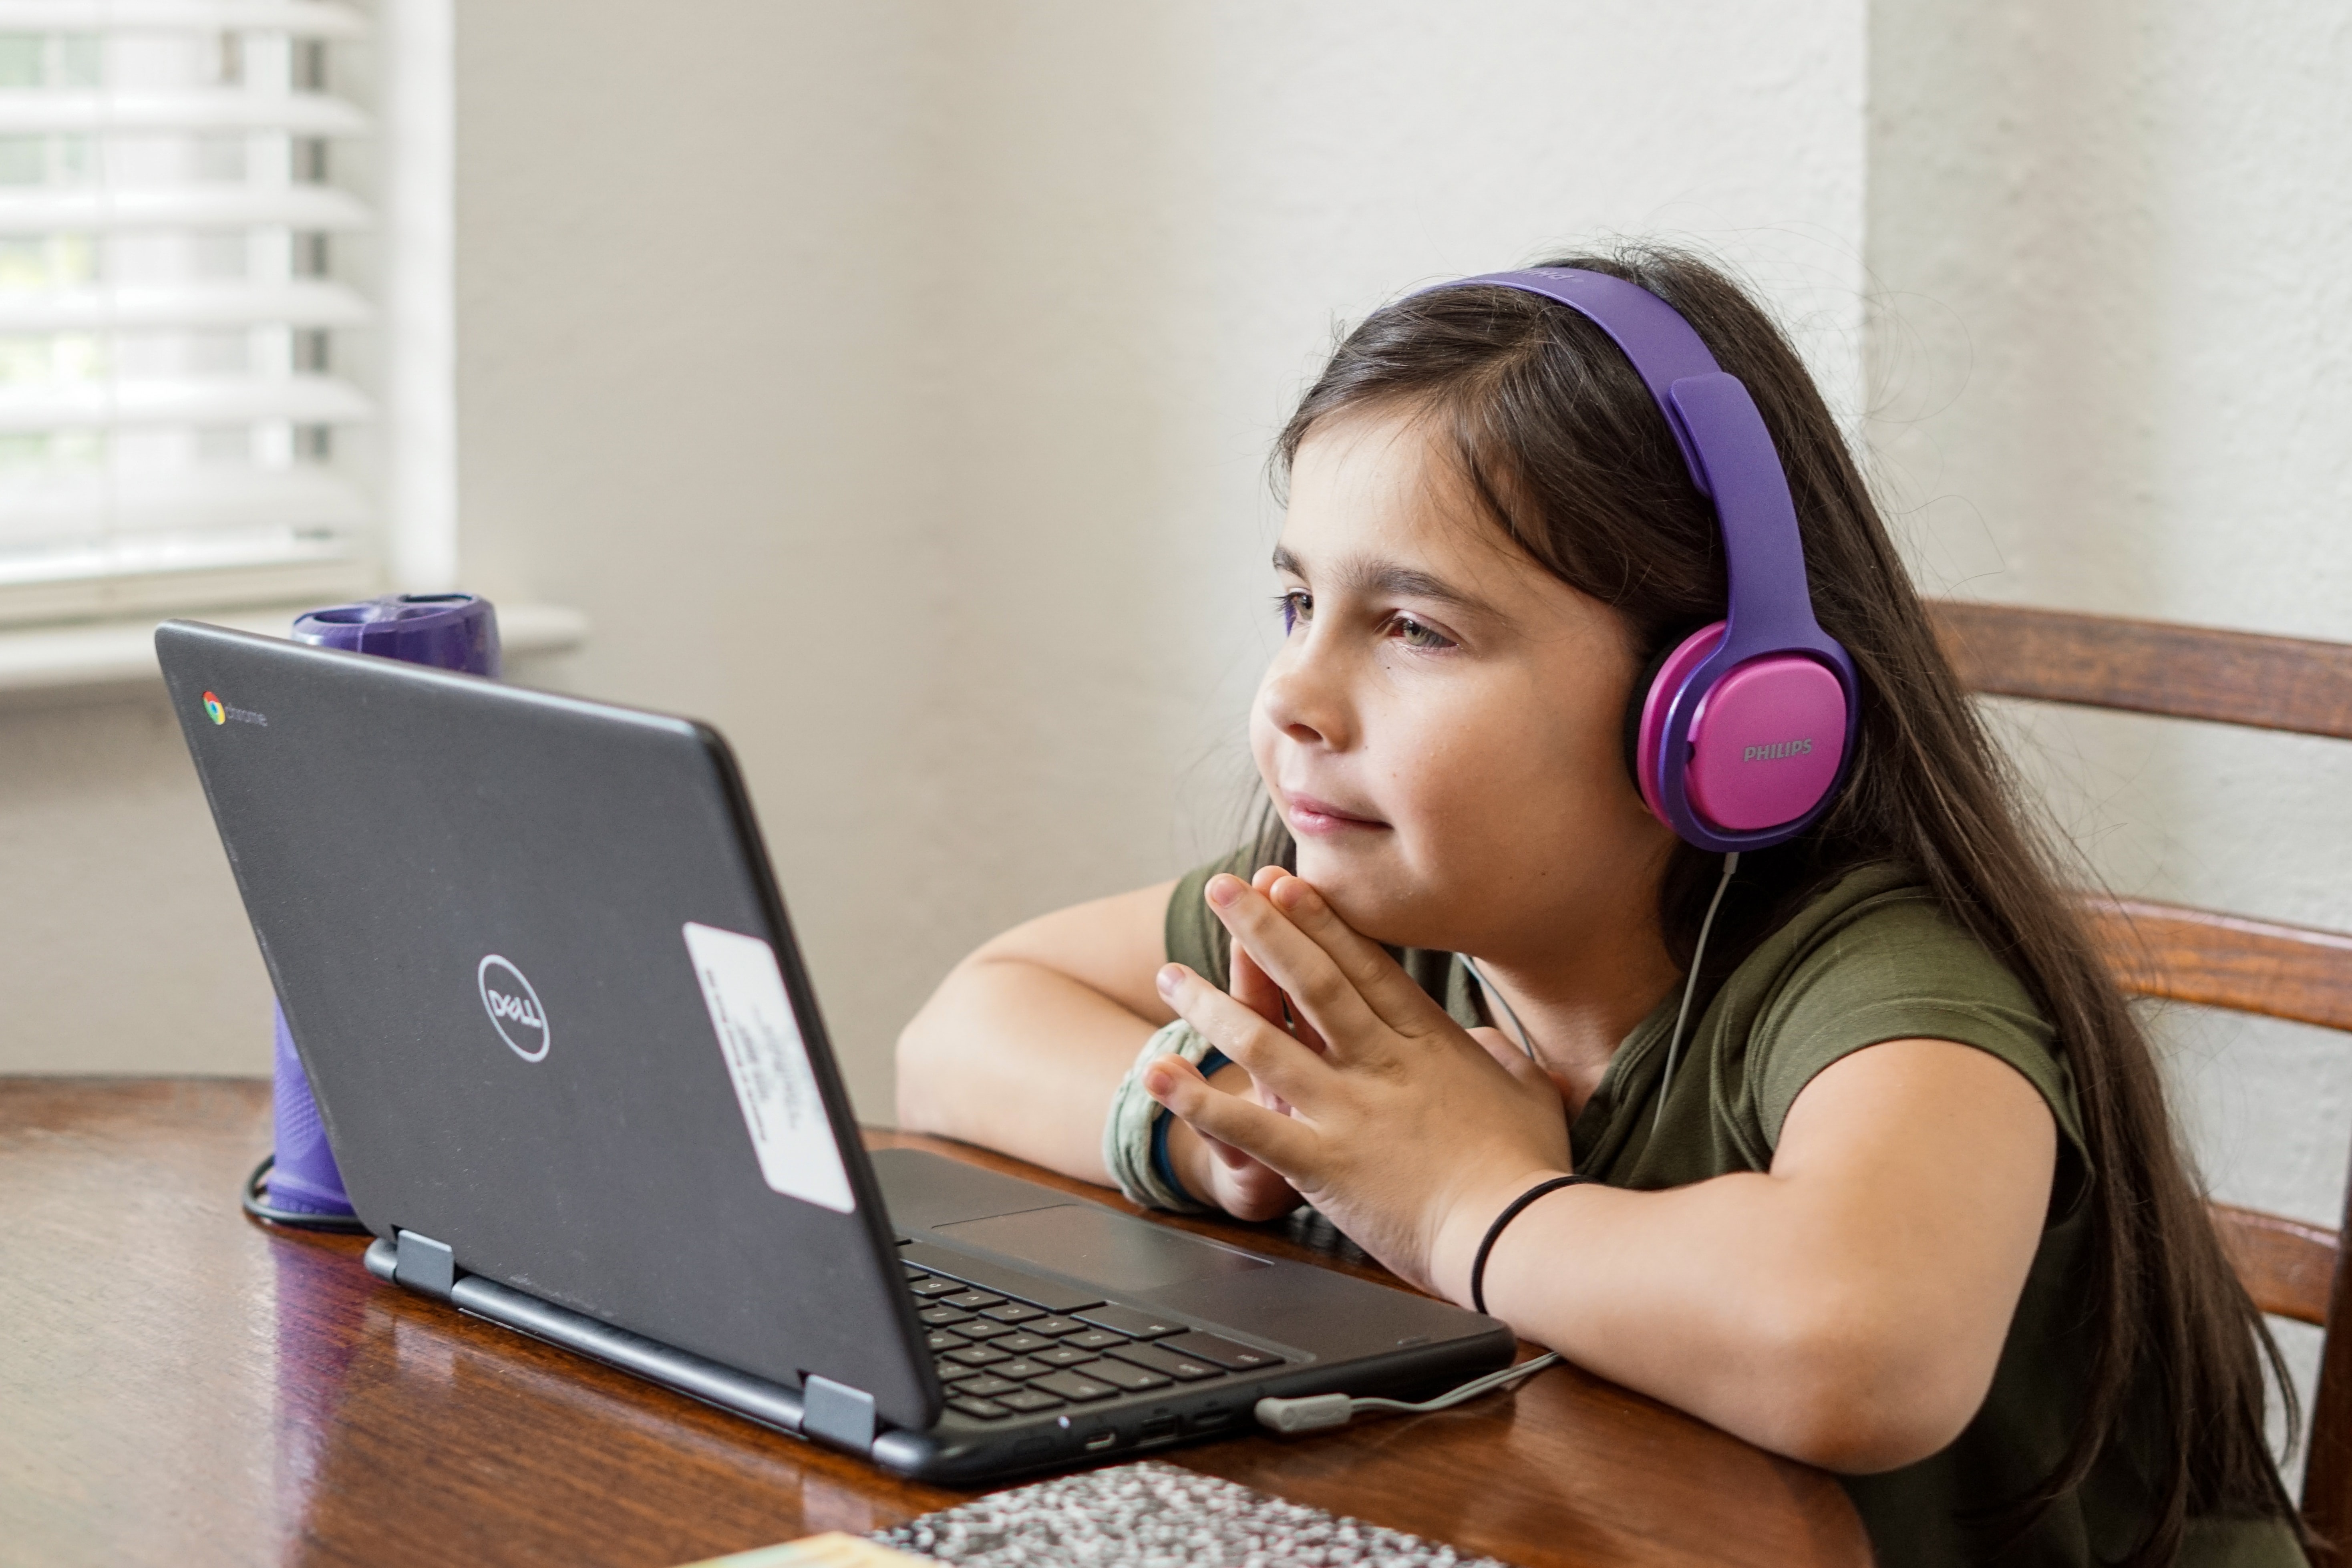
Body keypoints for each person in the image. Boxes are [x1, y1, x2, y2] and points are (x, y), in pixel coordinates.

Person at [895, 246, 2305, 1566]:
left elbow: (1860, 1348)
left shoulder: (1867, 977)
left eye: (1412, 629)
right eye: (1294, 603)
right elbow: (960, 1030)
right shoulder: (1371, 913)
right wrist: (1220, 1143)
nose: (1292, 698)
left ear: (1718, 714)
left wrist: (1460, 1200)